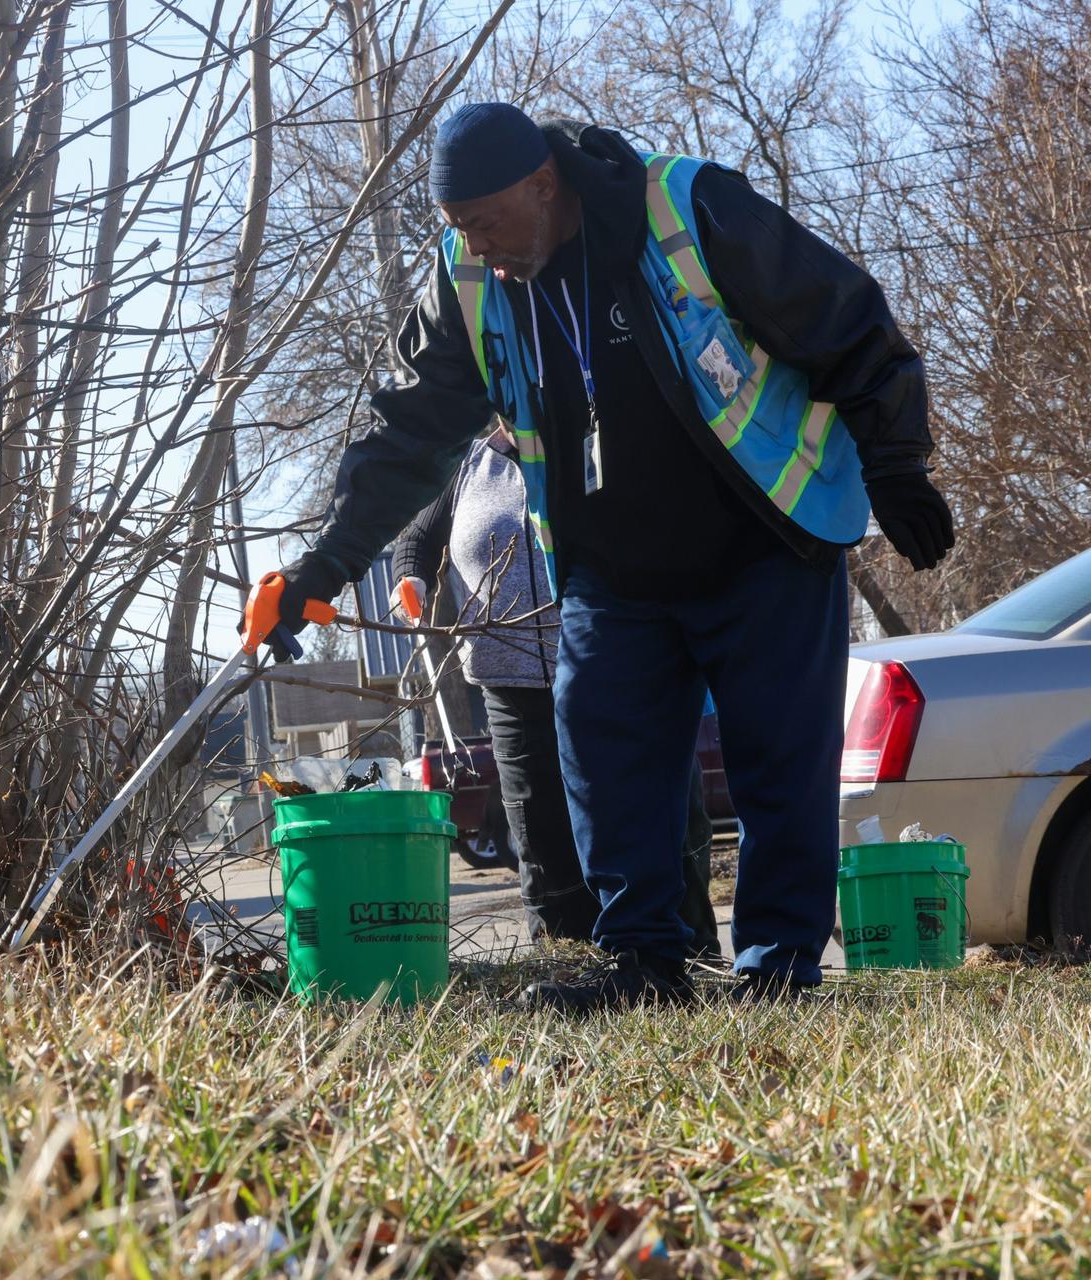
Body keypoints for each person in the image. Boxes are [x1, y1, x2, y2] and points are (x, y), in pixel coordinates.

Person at [257, 104, 952, 1009]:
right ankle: (645, 965)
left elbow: (844, 317)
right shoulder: (468, 276)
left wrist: (897, 461)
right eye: (459, 227)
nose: (477, 247)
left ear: (545, 185)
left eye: (487, 222)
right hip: (612, 572)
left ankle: (778, 969)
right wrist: (323, 567)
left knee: (779, 767)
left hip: (764, 544)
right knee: (604, 760)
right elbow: (409, 436)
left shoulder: (689, 208)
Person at [390, 429, 721, 957]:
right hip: (513, 692)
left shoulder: (596, 435)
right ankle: (568, 966)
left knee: (659, 821)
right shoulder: (466, 463)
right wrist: (411, 578)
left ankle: (689, 959)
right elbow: (416, 538)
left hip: (620, 674)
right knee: (540, 838)